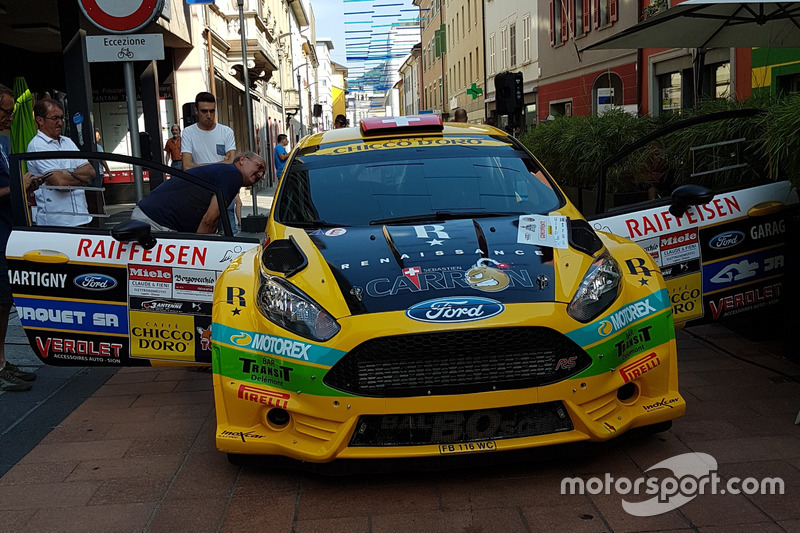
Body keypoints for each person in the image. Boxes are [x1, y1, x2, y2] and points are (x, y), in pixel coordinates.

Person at [0, 84, 41, 391]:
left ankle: (2, 363)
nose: (11, 118)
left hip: (7, 230)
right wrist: (17, 186)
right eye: (6, 112)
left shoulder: (1, 142)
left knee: (4, 302)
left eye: (13, 112)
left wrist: (24, 186)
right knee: (1, 302)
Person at [131, 151, 265, 234]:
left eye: (262, 174)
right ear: (242, 160)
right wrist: (203, 248)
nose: (259, 174)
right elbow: (210, 220)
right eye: (259, 167)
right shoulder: (233, 175)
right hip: (156, 222)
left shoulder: (225, 173)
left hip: (151, 217)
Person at [27, 98, 96, 226]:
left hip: (82, 217)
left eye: (61, 118)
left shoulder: (67, 142)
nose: (59, 123)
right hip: (57, 222)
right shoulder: (37, 146)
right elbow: (60, 182)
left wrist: (67, 172)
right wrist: (80, 178)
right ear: (40, 120)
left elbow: (90, 171)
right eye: (54, 118)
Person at [181, 92, 241, 232]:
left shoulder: (226, 132)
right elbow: (187, 167)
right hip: (200, 192)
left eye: (212, 111)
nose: (209, 115)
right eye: (204, 111)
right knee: (203, 237)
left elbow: (231, 162)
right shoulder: (189, 133)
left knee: (229, 237)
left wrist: (200, 167)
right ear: (196, 111)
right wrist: (220, 163)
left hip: (224, 190)